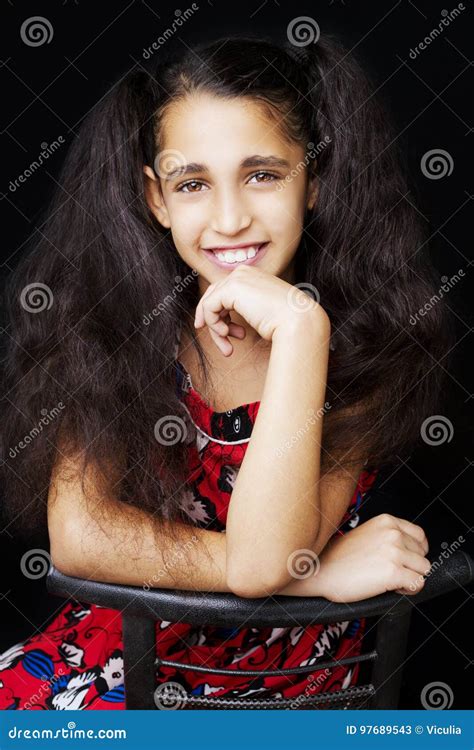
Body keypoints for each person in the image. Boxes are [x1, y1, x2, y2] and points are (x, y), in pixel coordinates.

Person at [0, 32, 452, 710]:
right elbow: (81, 535)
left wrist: (303, 330)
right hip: (118, 651)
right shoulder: (114, 325)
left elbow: (263, 558)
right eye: (192, 184)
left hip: (271, 679)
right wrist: (315, 573)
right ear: (155, 199)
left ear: (315, 181)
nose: (231, 218)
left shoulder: (370, 347)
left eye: (263, 174)